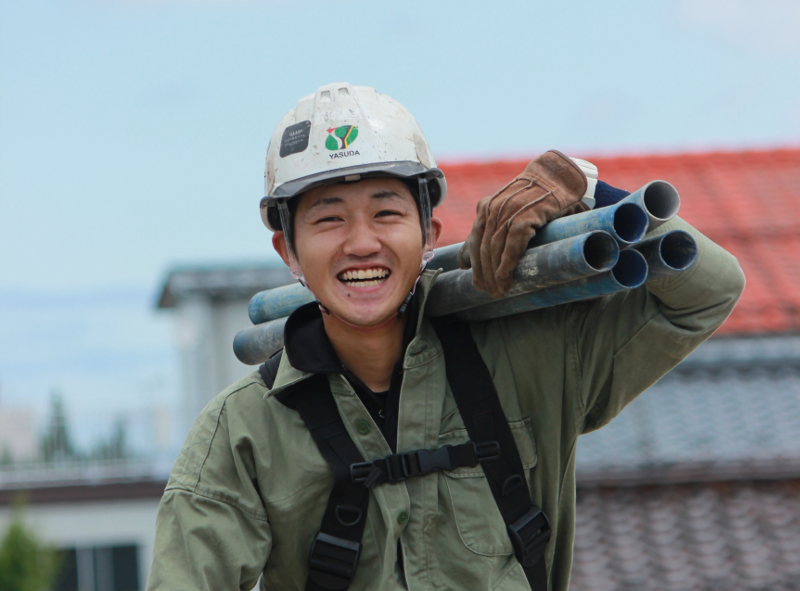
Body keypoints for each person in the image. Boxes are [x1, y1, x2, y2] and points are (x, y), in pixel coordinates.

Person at [147, 82, 745, 591]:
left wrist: (588, 190)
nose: (361, 243)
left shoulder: (529, 352)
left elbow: (708, 289)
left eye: (386, 212)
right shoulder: (242, 431)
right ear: (288, 250)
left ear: (430, 231)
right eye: (328, 217)